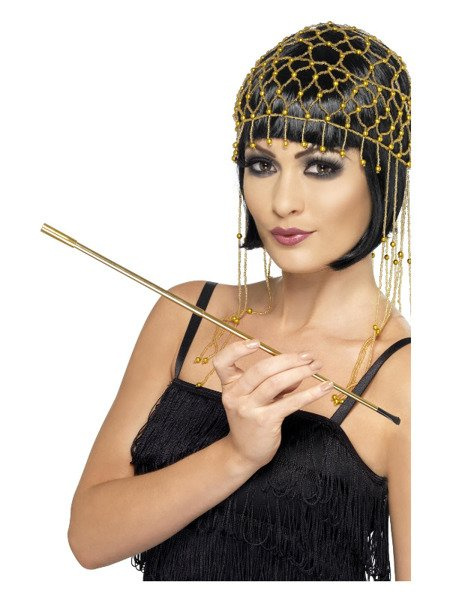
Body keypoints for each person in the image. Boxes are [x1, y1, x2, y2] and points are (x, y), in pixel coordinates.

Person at [67, 21, 411, 580]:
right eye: (262, 164)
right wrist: (237, 454)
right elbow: (88, 538)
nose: (283, 201)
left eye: (321, 166)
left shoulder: (411, 381)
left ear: (384, 177)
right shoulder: (187, 313)